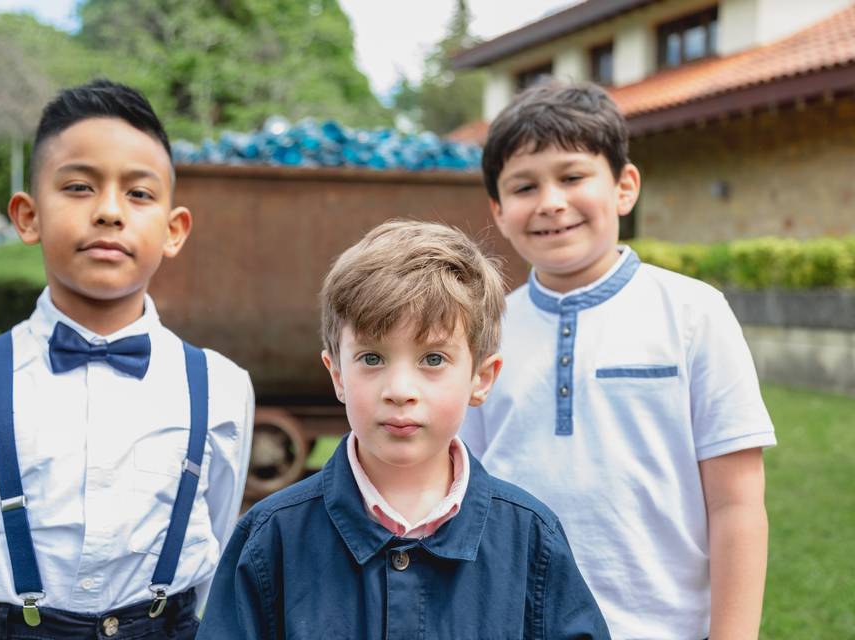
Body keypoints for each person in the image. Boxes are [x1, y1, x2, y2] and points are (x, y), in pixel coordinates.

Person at [0, 80, 254, 640]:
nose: (110, 212)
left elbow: (215, 536)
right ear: (27, 216)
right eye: (80, 187)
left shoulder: (220, 387)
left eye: (139, 194)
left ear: (173, 230)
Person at [461, 81, 777, 639]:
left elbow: (737, 505)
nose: (551, 201)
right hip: (513, 624)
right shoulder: (483, 332)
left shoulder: (693, 313)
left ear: (625, 187)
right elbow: (463, 496)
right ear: (499, 211)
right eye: (524, 186)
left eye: (573, 176)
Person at [196, 220, 610, 639]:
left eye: (433, 359)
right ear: (337, 374)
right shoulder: (272, 537)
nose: (399, 391)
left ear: (481, 378)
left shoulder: (530, 539)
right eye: (372, 359)